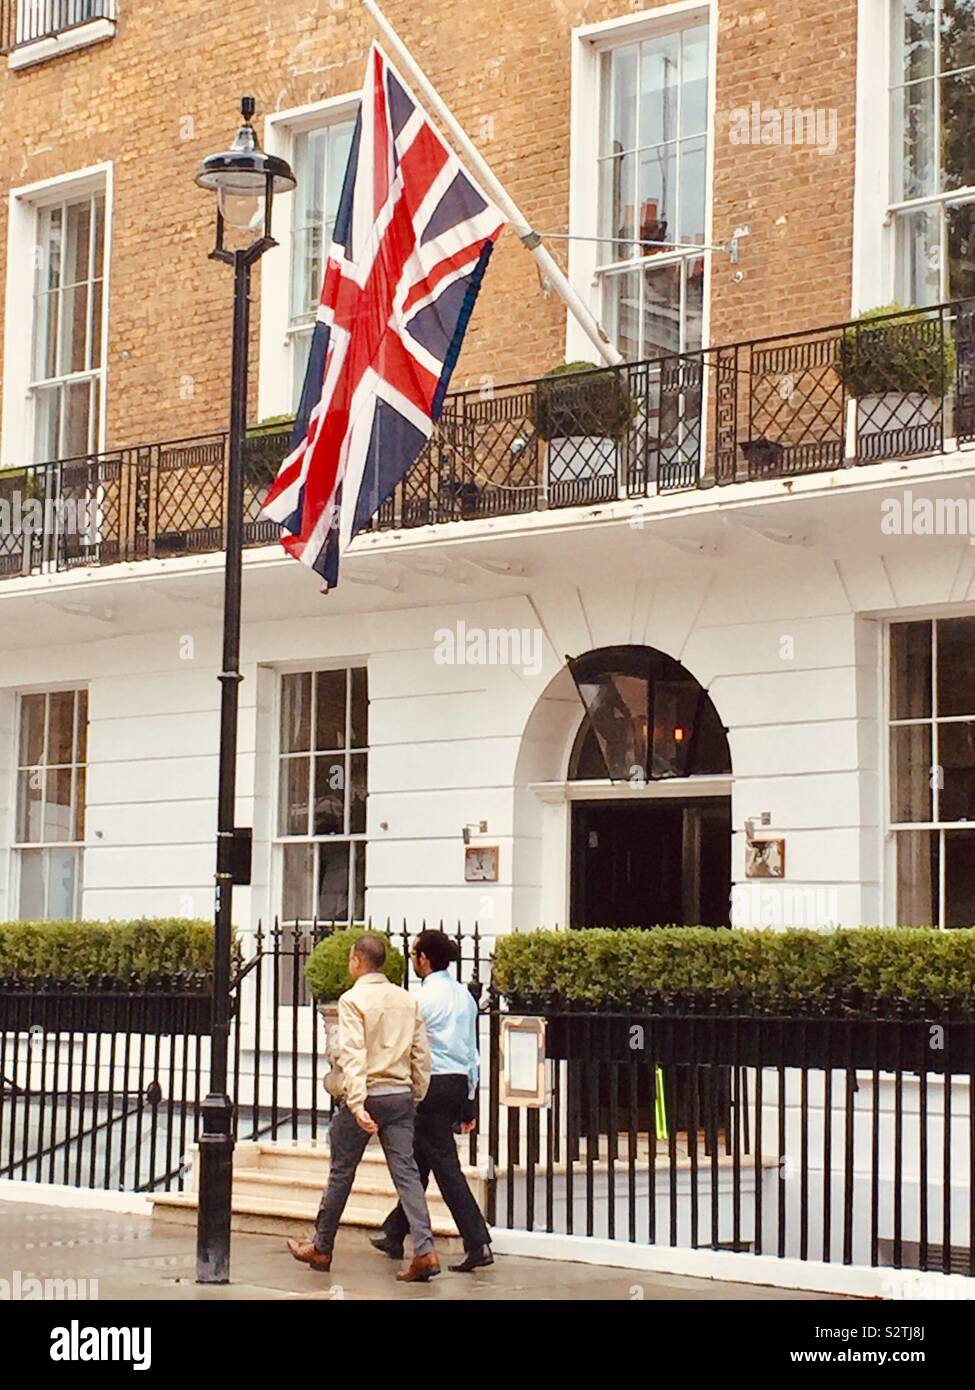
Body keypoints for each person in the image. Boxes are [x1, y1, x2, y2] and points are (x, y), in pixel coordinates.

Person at [287, 933, 440, 1282]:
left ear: (358, 960)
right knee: (407, 1175)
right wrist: (416, 1090)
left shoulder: (353, 1000)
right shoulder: (406, 999)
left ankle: (322, 1246)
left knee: (342, 1171)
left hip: (369, 1093)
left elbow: (352, 1053)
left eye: (350, 959)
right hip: (400, 1093)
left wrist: (356, 1103)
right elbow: (421, 1051)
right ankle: (424, 1248)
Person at [372, 929, 493, 1273]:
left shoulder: (422, 999)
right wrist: (469, 1101)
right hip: (456, 1083)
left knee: (442, 1163)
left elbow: (407, 1046)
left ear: (424, 958)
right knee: (420, 1157)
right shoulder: (464, 997)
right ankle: (395, 1232)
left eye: (413, 955)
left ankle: (477, 1241)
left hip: (430, 1084)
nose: (412, 960)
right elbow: (472, 1053)